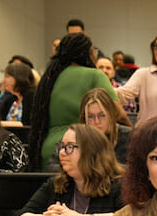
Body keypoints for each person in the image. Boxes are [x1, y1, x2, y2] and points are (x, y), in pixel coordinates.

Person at [28, 32, 119, 170]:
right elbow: (116, 112)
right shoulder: (95, 75)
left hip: (46, 151)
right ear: (87, 53)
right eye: (93, 51)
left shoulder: (49, 78)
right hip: (80, 150)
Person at [17, 124, 123, 216]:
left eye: (70, 147)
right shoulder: (57, 184)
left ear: (91, 152)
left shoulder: (119, 185)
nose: (62, 153)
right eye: (62, 146)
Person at [80, 88, 132, 164]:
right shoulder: (78, 140)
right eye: (90, 116)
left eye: (102, 115)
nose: (97, 121)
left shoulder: (130, 137)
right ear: (84, 119)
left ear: (111, 114)